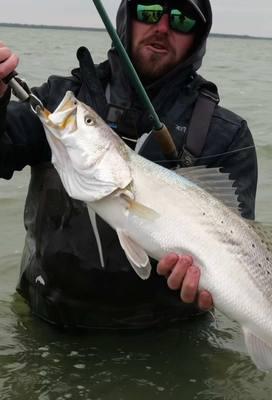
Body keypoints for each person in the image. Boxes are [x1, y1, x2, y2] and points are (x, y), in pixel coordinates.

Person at [0, 0, 257, 329]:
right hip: (49, 323)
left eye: (182, 20)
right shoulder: (62, 100)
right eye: (149, 11)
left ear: (198, 37)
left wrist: (207, 282)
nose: (162, 27)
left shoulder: (228, 135)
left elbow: (243, 246)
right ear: (126, 18)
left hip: (170, 340)